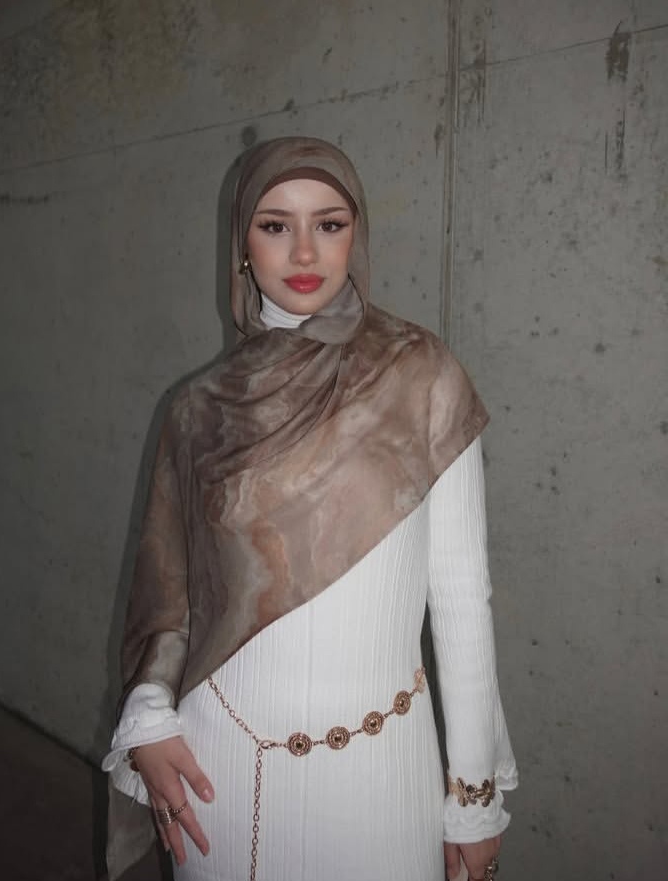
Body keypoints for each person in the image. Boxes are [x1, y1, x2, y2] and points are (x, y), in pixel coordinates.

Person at [102, 137, 517, 881]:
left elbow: (460, 596)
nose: (303, 251)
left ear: (357, 235)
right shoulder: (198, 408)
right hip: (218, 773)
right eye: (274, 225)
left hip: (382, 773)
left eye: (329, 224)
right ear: (242, 246)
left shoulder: (423, 374)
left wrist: (474, 798)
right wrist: (149, 717)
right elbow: (168, 595)